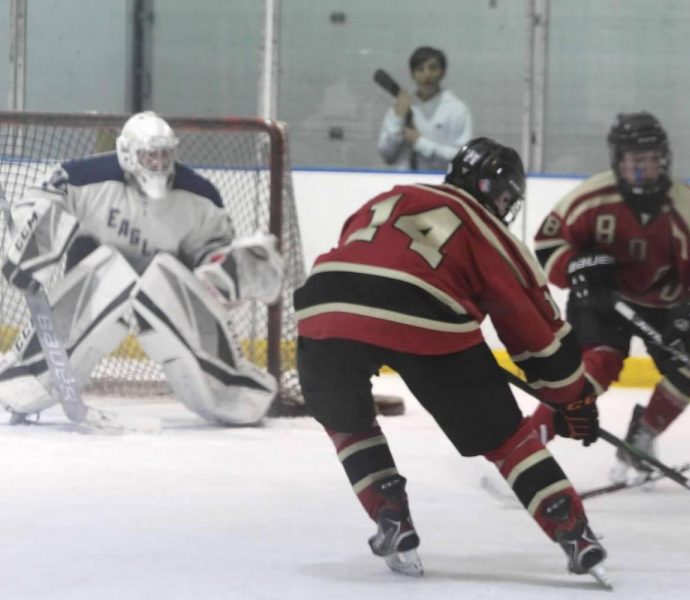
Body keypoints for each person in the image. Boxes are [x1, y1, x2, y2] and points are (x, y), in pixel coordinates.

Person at [293, 138, 611, 587]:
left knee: (348, 422)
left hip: (324, 307)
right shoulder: (491, 230)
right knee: (505, 439)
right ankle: (574, 534)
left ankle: (391, 518)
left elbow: (362, 260)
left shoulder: (389, 197)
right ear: (494, 190)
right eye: (506, 197)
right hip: (425, 314)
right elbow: (533, 333)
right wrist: (572, 398)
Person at [0, 111, 284, 426]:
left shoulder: (199, 197)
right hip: (94, 288)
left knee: (161, 275)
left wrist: (229, 268)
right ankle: (31, 371)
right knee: (112, 269)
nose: (159, 163)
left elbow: (210, 252)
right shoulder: (84, 178)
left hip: (165, 297)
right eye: (150, 155)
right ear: (127, 152)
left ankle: (223, 382)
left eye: (165, 154)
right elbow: (42, 202)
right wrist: (33, 233)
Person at [528, 112, 690, 482]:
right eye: (635, 161)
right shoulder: (592, 196)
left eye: (652, 159)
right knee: (595, 366)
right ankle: (528, 447)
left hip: (667, 308)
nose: (644, 169)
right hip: (604, 301)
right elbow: (547, 244)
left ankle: (642, 437)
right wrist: (577, 265)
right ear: (619, 162)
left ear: (664, 159)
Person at [376, 46, 473, 172]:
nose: (427, 74)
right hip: (403, 183)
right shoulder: (401, 105)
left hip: (439, 185)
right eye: (420, 69)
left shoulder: (457, 110)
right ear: (412, 74)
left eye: (433, 68)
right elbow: (387, 156)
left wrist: (421, 144)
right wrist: (397, 119)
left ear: (443, 72)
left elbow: (463, 159)